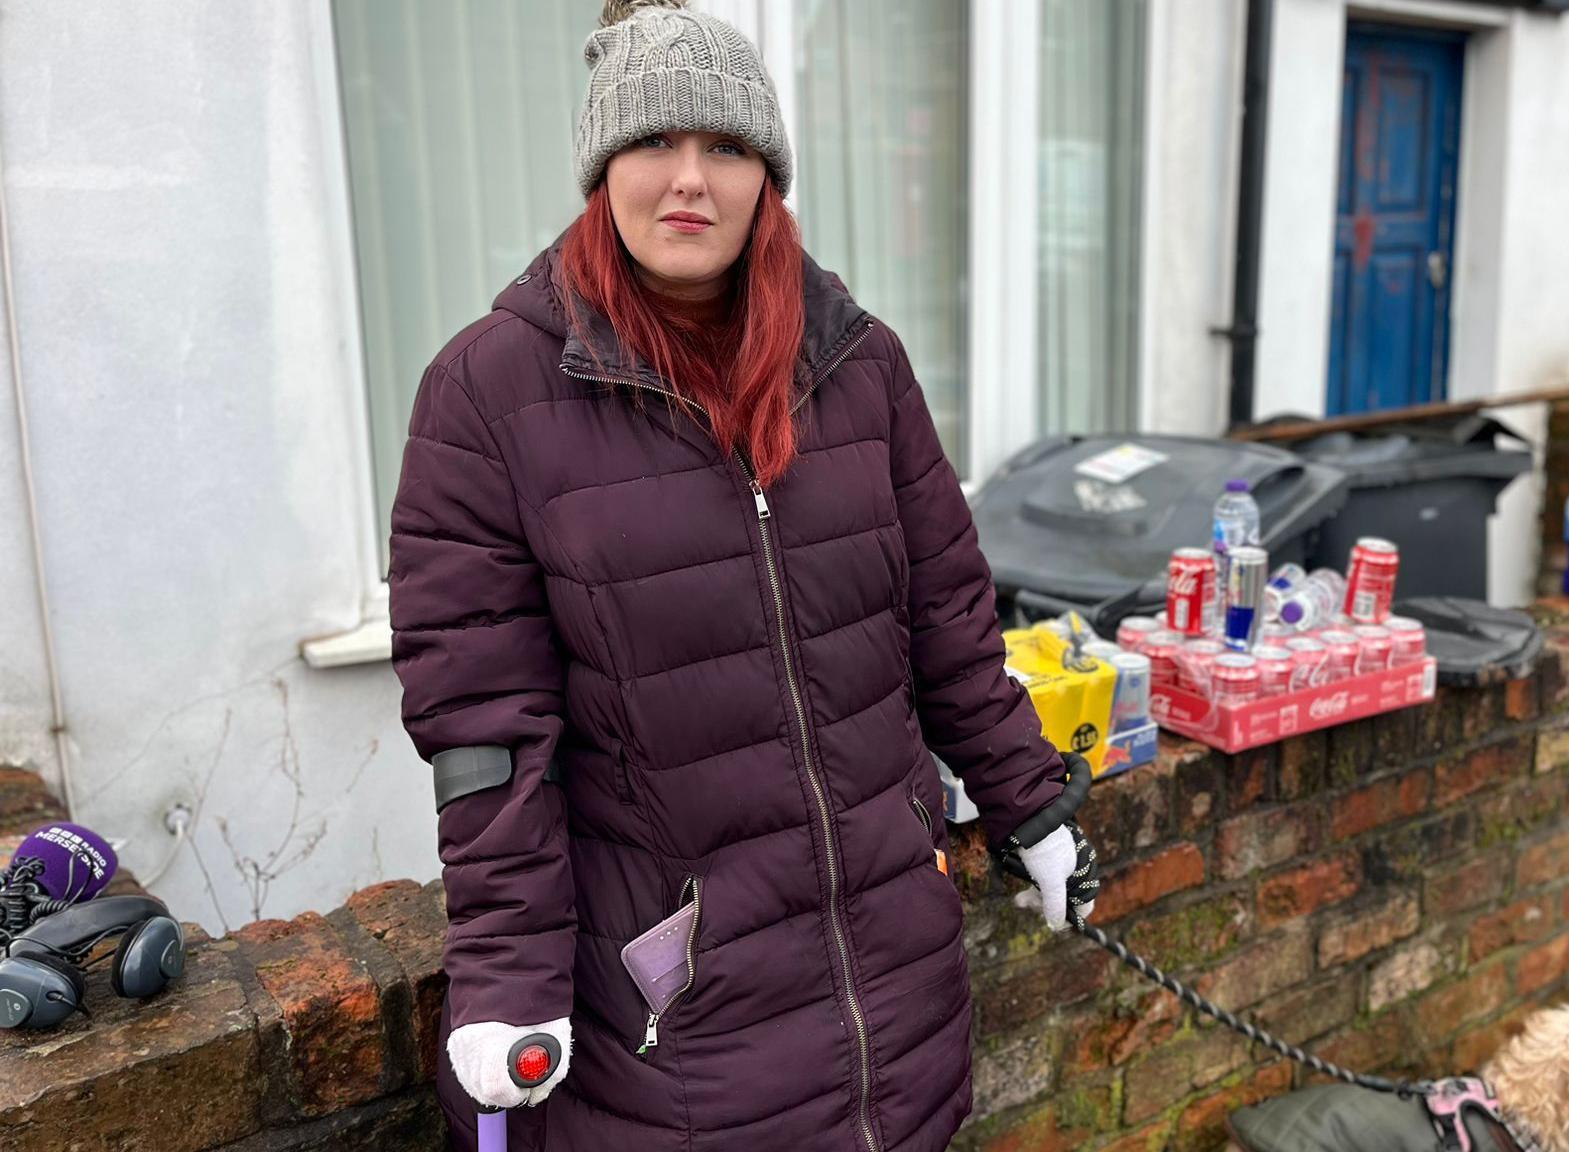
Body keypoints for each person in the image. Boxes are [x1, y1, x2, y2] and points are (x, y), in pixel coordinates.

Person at [387, 2, 1099, 1147]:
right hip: (679, 1017)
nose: (689, 181)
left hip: (893, 979)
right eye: (652, 144)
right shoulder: (487, 396)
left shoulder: (860, 367)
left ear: (766, 175)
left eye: (725, 147)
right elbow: (484, 731)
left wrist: (1029, 801)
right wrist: (509, 975)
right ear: (599, 168)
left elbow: (950, 625)